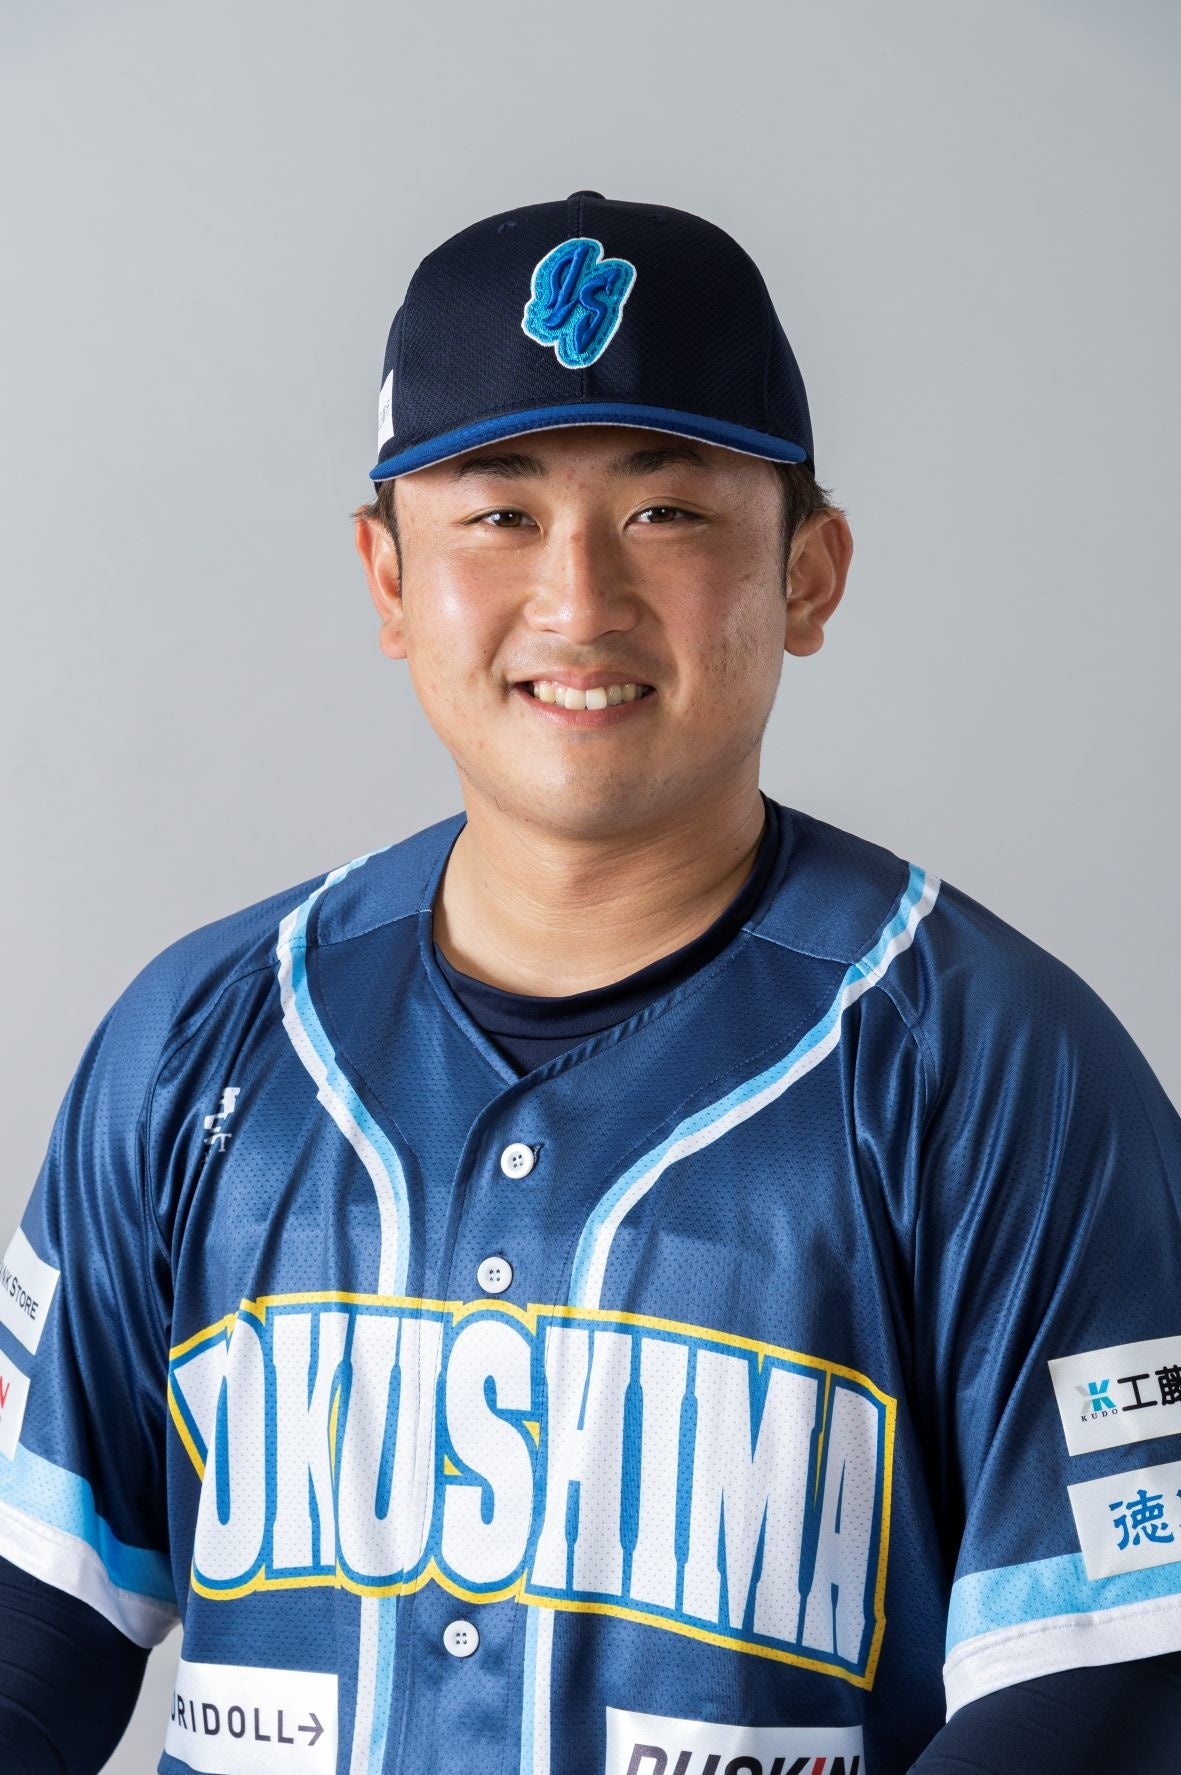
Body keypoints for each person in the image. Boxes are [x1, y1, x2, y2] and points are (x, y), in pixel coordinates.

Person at [0, 190, 1178, 1775]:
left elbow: (1105, 1688)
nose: (577, 601)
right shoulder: (197, 1042)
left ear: (808, 573)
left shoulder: (997, 1071)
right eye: (496, 515)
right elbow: (32, 1625)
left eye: (665, 511)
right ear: (386, 576)